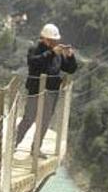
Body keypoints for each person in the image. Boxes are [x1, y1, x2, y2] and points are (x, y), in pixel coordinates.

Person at [14, 23, 78, 154]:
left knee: (44, 122)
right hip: (35, 91)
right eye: (52, 40)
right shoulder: (35, 49)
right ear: (44, 39)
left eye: (56, 41)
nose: (55, 43)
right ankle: (13, 143)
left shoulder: (58, 54)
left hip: (51, 92)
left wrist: (71, 57)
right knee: (29, 118)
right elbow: (34, 62)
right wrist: (50, 53)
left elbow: (70, 69)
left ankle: (36, 149)